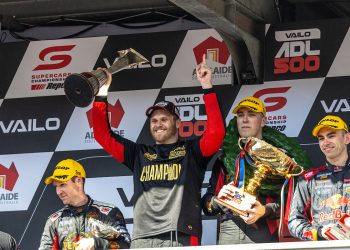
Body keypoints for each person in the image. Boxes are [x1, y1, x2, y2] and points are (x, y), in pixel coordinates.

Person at [92, 54, 225, 247]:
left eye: (164, 119)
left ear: (178, 123)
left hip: (180, 236)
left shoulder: (192, 151)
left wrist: (207, 86)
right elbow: (102, 135)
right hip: (143, 237)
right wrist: (101, 94)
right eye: (154, 121)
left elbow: (216, 132)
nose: (158, 124)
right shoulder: (137, 153)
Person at [202, 96, 312, 244]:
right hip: (230, 229)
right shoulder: (225, 157)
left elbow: (293, 203)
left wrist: (265, 210)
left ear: (263, 121)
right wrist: (219, 201)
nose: (245, 120)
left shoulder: (280, 157)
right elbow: (207, 206)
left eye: (251, 115)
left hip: (264, 230)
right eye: (241, 115)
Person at [39, 159, 130, 250]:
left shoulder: (109, 213)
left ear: (78, 181)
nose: (59, 192)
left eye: (62, 185)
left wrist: (96, 243)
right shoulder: (54, 221)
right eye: (56, 186)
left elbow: (127, 246)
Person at [288, 115, 350, 240]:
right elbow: (294, 221)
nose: (326, 142)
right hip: (322, 246)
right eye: (321, 138)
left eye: (331, 136)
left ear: (347, 138)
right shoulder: (308, 179)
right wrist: (319, 233)